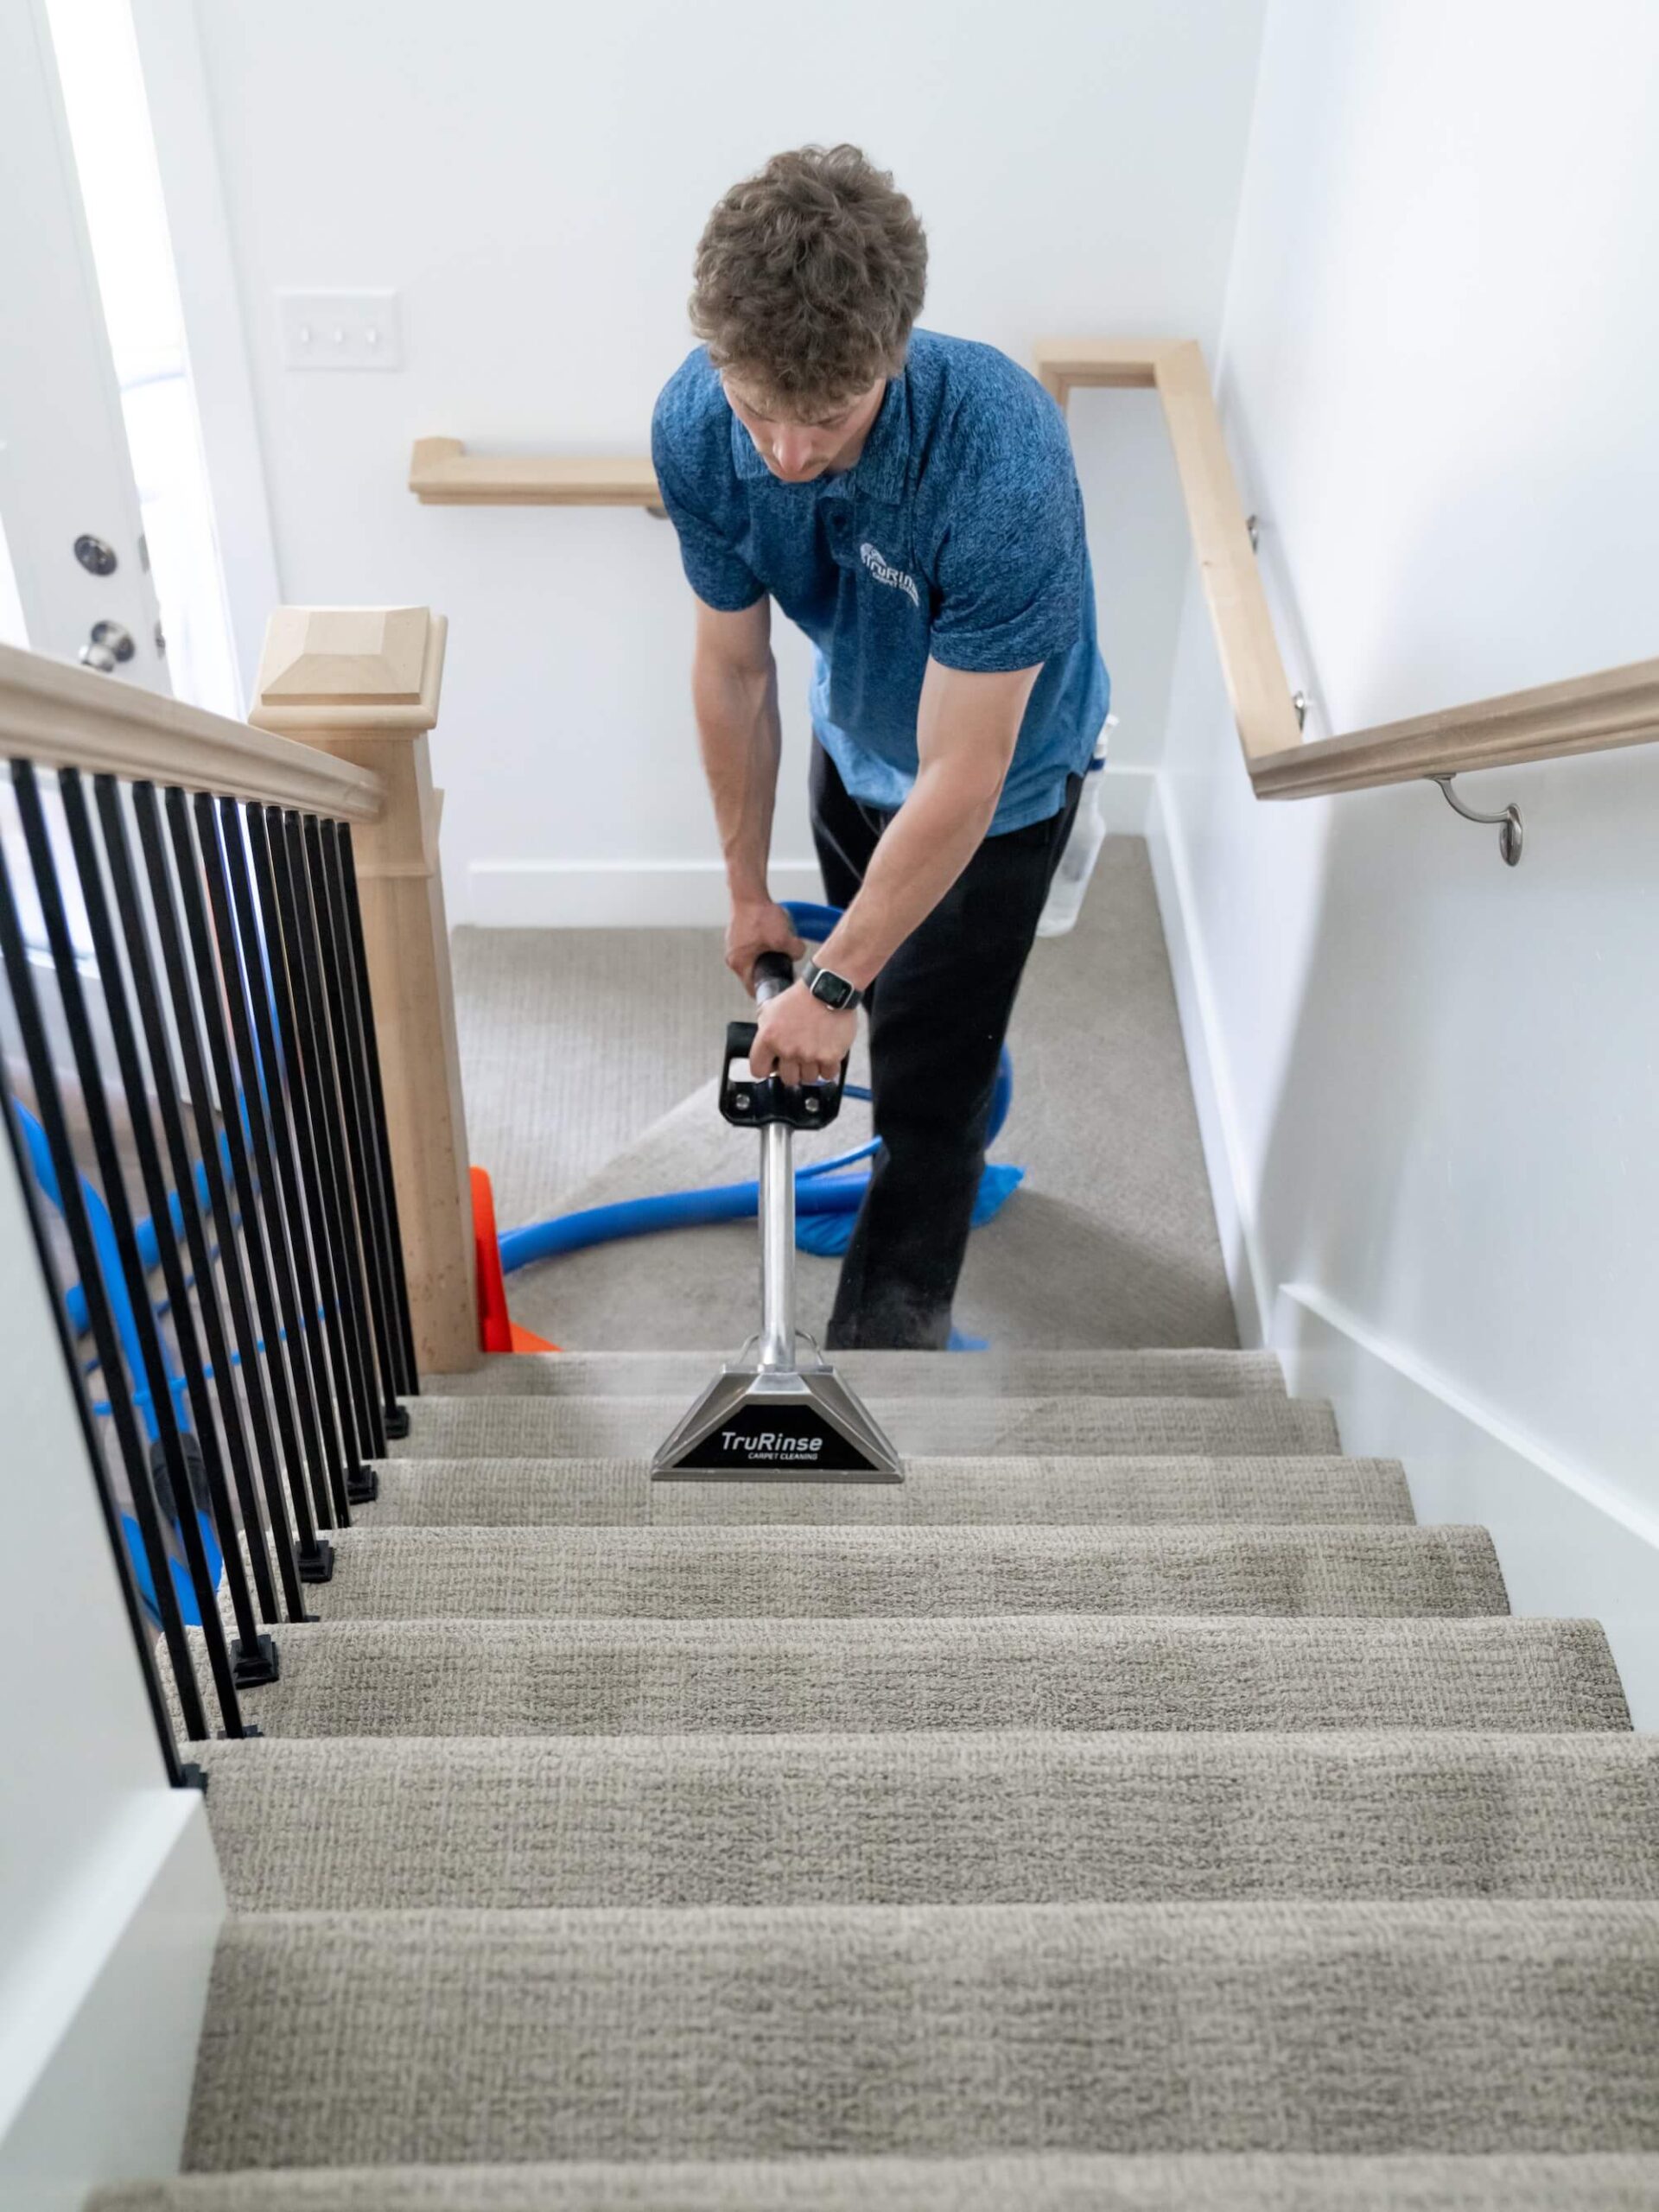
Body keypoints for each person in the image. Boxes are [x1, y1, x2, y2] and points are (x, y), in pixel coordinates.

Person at [651, 143, 1109, 1351]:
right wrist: (750, 894)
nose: (786, 457)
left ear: (893, 358)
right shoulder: (699, 425)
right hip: (855, 739)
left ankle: (887, 1344)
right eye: (760, 413)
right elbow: (735, 671)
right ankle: (866, 1044)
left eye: (826, 420)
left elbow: (967, 771)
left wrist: (836, 982)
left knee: (933, 1079)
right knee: (858, 990)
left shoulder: (1002, 462)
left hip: (997, 789)